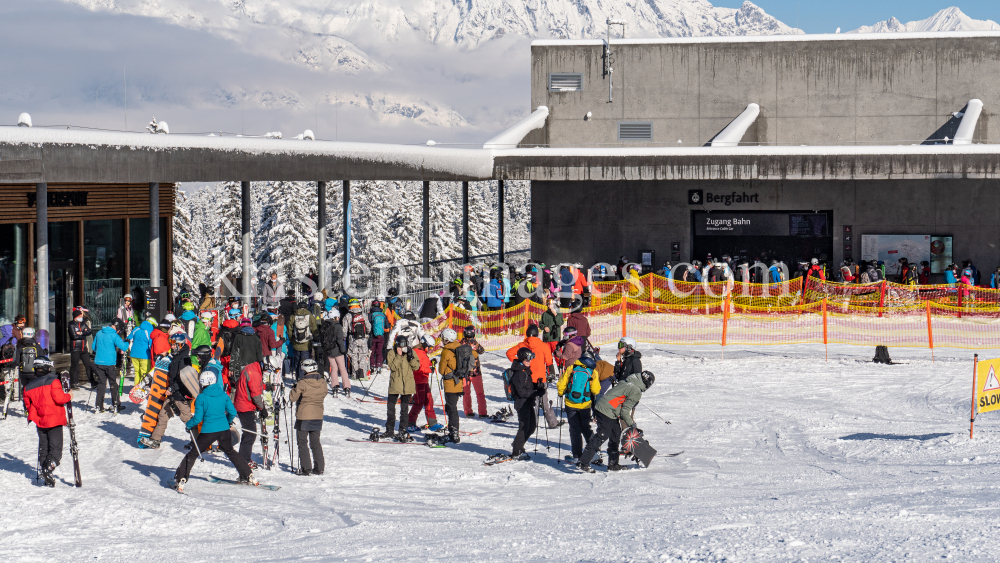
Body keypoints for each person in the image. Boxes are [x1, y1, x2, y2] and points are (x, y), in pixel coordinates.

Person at [172, 363, 257, 492]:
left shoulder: (201, 397)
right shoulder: (223, 395)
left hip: (208, 431)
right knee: (230, 451)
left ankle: (181, 479)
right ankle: (247, 475)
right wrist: (227, 422)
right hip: (224, 430)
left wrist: (188, 425)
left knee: (194, 453)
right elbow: (232, 412)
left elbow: (198, 418)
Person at [577, 371, 655, 473]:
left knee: (615, 434)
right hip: (606, 411)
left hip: (606, 408)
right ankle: (583, 462)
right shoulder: (636, 391)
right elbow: (625, 412)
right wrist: (632, 425)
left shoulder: (628, 380)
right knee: (602, 435)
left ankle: (613, 464)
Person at [144, 343, 209, 449]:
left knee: (188, 420)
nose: (172, 347)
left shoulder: (184, 359)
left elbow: (183, 379)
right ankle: (155, 440)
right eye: (171, 344)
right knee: (163, 416)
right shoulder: (177, 356)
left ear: (181, 345)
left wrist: (171, 388)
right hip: (172, 395)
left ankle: (199, 443)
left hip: (180, 395)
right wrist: (165, 356)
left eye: (175, 345)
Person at [22, 357, 70, 487]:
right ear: (47, 368)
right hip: (54, 420)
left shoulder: (28, 387)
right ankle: (49, 468)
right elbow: (60, 399)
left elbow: (28, 405)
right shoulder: (53, 381)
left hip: (40, 421)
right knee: (56, 449)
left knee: (44, 446)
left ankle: (44, 468)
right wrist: (69, 395)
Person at [505, 324, 558, 428]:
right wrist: (551, 374)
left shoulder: (522, 345)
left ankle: (532, 423)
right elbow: (549, 362)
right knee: (544, 402)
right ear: (537, 334)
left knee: (531, 402)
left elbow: (509, 353)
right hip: (540, 378)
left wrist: (519, 362)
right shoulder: (543, 345)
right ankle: (552, 423)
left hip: (527, 378)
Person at [557, 355, 601, 462]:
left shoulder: (571, 369)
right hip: (585, 405)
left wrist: (560, 392)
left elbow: (561, 384)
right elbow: (596, 390)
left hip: (570, 404)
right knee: (586, 427)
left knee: (574, 429)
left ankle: (577, 456)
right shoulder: (593, 372)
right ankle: (594, 453)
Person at [289, 358, 326, 475]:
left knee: (302, 443)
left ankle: (306, 468)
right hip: (317, 415)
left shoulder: (302, 383)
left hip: (303, 416)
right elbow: (324, 393)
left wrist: (294, 388)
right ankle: (319, 467)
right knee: (315, 442)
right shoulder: (322, 382)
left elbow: (292, 398)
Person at [233, 346, 266, 469]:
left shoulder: (251, 367)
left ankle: (244, 459)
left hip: (244, 403)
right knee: (250, 434)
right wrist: (262, 408)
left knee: (249, 433)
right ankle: (244, 460)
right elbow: (256, 394)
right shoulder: (255, 373)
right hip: (244, 406)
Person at [509, 347, 543, 460]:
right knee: (524, 427)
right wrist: (536, 392)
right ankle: (516, 452)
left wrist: (536, 386)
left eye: (530, 359)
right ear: (521, 359)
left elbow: (526, 386)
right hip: (521, 403)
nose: (529, 361)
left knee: (532, 427)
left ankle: (518, 445)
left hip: (527, 402)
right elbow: (521, 391)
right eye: (527, 359)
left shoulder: (525, 369)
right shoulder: (519, 373)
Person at [384, 335, 419, 440]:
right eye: (401, 345)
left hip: (407, 384)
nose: (403, 347)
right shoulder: (391, 353)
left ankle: (402, 429)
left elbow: (416, 366)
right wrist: (399, 356)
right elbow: (393, 367)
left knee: (404, 409)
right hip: (395, 384)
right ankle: (389, 429)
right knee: (391, 407)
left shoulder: (411, 352)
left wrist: (411, 357)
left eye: (405, 345)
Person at [92, 320, 129, 413]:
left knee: (101, 384)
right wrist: (127, 341)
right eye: (119, 331)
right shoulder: (114, 335)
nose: (119, 332)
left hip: (98, 362)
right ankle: (116, 404)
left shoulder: (99, 333)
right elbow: (124, 347)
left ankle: (99, 406)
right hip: (110, 363)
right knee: (113, 384)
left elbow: (93, 347)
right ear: (117, 328)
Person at [407, 334, 441, 432]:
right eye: (429, 347)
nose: (429, 349)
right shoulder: (417, 352)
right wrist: (429, 369)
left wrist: (431, 362)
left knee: (429, 401)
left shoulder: (422, 352)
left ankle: (432, 422)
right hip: (418, 381)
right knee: (419, 402)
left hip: (423, 380)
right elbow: (417, 367)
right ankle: (410, 422)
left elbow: (424, 363)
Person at [438, 328, 466, 441]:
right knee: (452, 407)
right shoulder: (459, 347)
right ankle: (453, 430)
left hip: (450, 384)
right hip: (459, 383)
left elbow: (441, 370)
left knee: (451, 409)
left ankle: (454, 433)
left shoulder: (446, 351)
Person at [458, 326, 488, 419]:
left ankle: (468, 411)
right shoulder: (474, 343)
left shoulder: (460, 343)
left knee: (466, 393)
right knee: (480, 393)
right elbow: (482, 351)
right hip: (476, 372)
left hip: (464, 372)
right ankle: (482, 412)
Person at [321, 310, 350, 396]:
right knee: (342, 369)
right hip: (337, 350)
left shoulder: (325, 325)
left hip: (329, 350)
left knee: (334, 369)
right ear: (336, 317)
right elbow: (339, 340)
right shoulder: (338, 326)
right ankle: (346, 387)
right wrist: (343, 350)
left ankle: (334, 387)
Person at [343, 300, 371, 380]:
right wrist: (367, 333)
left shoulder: (348, 316)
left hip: (353, 339)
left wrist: (345, 336)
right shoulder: (363, 314)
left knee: (354, 356)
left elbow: (344, 330)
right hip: (363, 339)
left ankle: (355, 375)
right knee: (362, 356)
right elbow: (368, 326)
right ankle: (362, 375)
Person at [67, 307, 95, 389]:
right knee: (74, 366)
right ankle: (73, 383)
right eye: (79, 316)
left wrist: (81, 333)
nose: (81, 318)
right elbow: (74, 336)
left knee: (88, 365)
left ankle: (93, 382)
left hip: (83, 348)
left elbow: (89, 331)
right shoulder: (71, 324)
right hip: (75, 348)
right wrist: (83, 334)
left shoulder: (82, 323)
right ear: (76, 317)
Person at [288, 303, 317, 379]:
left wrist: (292, 340)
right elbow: (314, 329)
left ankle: (298, 378)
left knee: (297, 362)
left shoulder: (293, 316)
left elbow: (289, 329)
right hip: (307, 344)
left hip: (296, 343)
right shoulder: (310, 316)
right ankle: (304, 379)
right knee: (305, 362)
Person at [128, 318, 155, 386]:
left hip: (134, 354)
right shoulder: (149, 332)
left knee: (137, 372)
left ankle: (136, 387)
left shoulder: (136, 329)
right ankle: (142, 388)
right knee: (144, 373)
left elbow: (129, 338)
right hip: (145, 355)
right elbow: (151, 345)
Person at [368, 301, 388, 370]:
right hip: (381, 336)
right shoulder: (383, 315)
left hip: (372, 336)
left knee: (372, 352)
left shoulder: (371, 314)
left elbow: (368, 324)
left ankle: (372, 365)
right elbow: (387, 326)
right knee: (379, 351)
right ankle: (379, 365)